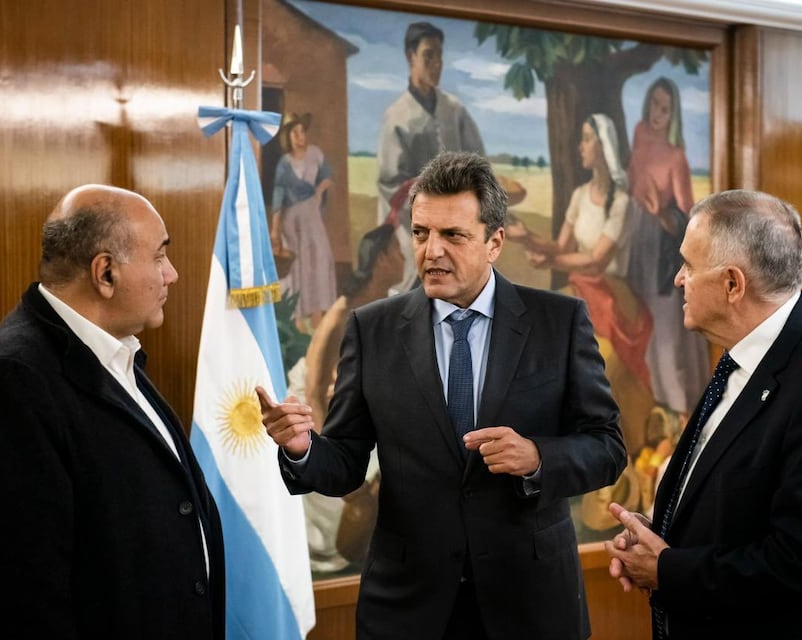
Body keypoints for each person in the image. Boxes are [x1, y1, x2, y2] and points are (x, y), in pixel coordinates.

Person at [259, 151, 626, 639]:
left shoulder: (559, 323)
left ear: (494, 242)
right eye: (420, 232)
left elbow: (607, 446)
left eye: (453, 235)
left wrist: (539, 456)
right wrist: (303, 449)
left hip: (530, 604)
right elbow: (346, 459)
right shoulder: (372, 330)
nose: (431, 251)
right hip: (408, 608)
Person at [605, 189, 802, 639]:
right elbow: (745, 502)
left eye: (688, 265)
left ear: (732, 284)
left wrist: (669, 569)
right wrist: (665, 538)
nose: (677, 279)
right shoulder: (748, 356)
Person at [0, 185, 225, 637]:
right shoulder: (9, 381)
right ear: (105, 274)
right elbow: (20, 595)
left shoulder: (114, 351)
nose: (173, 274)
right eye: (160, 257)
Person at [509, 113, 654, 457]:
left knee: (601, 363)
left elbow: (596, 262)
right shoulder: (578, 195)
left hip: (614, 295)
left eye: (588, 138)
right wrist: (525, 237)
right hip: (582, 292)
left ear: (604, 146)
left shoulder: (622, 203)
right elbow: (562, 249)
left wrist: (549, 260)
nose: (581, 146)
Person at [288, 223, 405, 572]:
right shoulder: (341, 313)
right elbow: (313, 391)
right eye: (399, 253)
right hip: (320, 413)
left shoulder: (390, 306)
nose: (405, 260)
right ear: (382, 258)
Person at [377, 21, 486, 292]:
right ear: (410, 56)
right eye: (428, 55)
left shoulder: (454, 110)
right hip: (411, 222)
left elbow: (479, 163)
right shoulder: (397, 116)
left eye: (439, 55)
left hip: (458, 221)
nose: (436, 63)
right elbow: (392, 183)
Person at [626, 76, 710, 418]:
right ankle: (651, 411)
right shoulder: (639, 134)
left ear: (673, 113)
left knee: (666, 335)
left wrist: (660, 212)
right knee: (640, 326)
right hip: (636, 240)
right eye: (653, 104)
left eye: (665, 108)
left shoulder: (676, 157)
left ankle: (678, 416)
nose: (656, 113)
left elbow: (689, 218)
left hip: (661, 249)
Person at [271, 111, 336, 332]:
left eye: (302, 132)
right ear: (287, 137)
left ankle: (318, 317)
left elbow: (328, 175)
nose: (299, 137)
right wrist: (275, 229)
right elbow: (278, 197)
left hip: (312, 216)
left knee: (319, 259)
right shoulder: (284, 163)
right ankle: (298, 321)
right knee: (298, 266)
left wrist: (318, 192)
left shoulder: (315, 154)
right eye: (294, 133)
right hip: (292, 222)